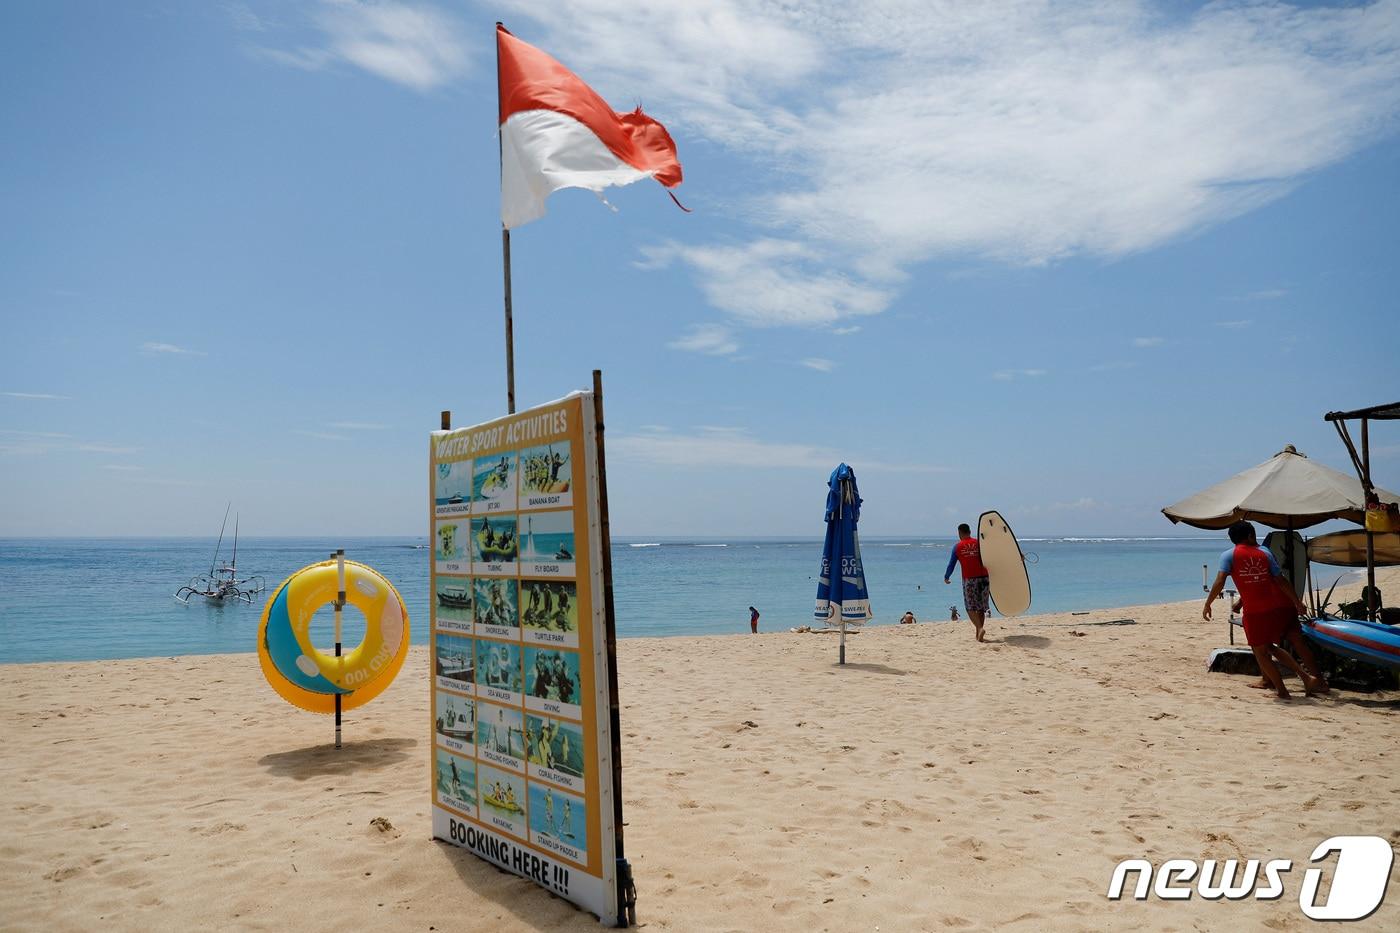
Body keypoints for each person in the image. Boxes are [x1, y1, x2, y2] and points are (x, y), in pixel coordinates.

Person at [1204, 521, 1328, 699]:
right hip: (1281, 605)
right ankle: (1314, 680)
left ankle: (1283, 690)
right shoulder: (1266, 552)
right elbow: (1278, 580)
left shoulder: (1228, 555)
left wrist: (1208, 603)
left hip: (1258, 610)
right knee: (1282, 644)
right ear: (1251, 535)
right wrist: (1297, 602)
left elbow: (1220, 580)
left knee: (1260, 650)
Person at [944, 523, 991, 641]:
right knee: (980, 607)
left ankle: (979, 628)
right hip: (984, 578)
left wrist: (947, 576)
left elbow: (951, 564)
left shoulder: (957, 547)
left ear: (959, 533)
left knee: (970, 607)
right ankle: (978, 634)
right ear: (970, 531)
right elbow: (992, 557)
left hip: (970, 580)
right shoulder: (980, 544)